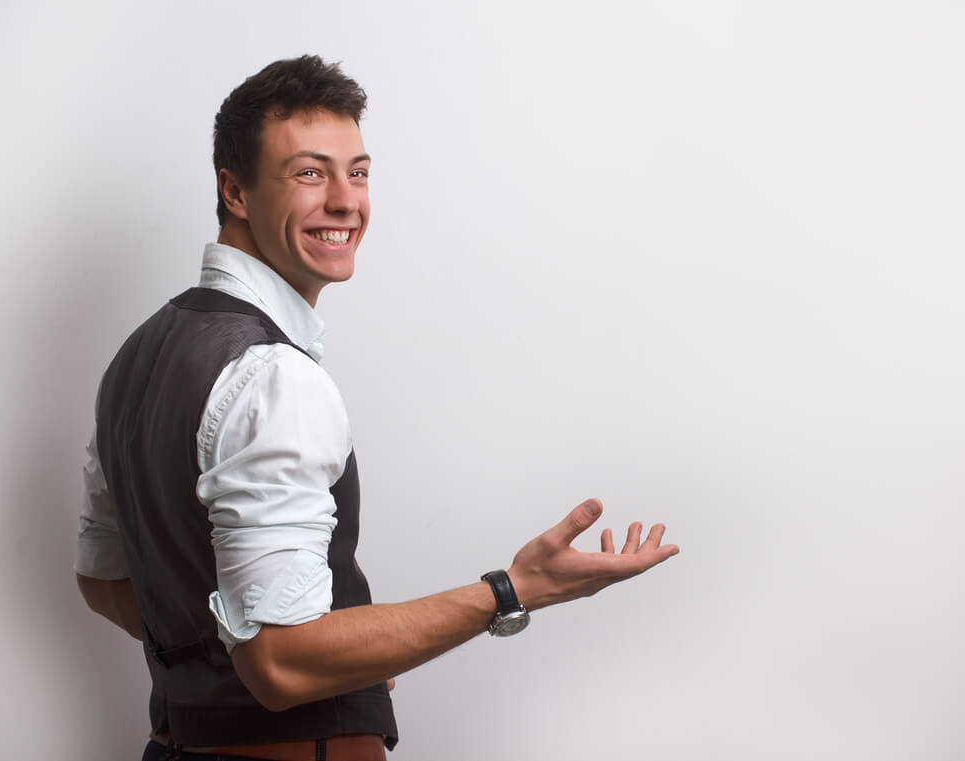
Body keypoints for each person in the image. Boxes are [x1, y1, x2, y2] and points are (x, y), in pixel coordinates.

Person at [75, 55, 680, 761]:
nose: (345, 201)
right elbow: (279, 662)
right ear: (233, 190)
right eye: (308, 172)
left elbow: (104, 581)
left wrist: (329, 649)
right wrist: (514, 589)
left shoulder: (135, 358)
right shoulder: (273, 379)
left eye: (356, 172)